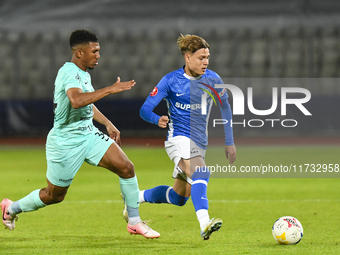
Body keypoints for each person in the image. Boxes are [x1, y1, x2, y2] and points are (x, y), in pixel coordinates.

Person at [1, 29, 160, 239]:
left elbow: (86, 103)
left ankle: (134, 221)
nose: (98, 55)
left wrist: (107, 123)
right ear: (79, 53)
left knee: (126, 167)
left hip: (88, 134)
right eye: (94, 51)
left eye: (99, 51)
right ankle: (10, 208)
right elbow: (76, 100)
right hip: (66, 141)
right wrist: (109, 89)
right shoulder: (68, 72)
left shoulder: (83, 74)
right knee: (54, 195)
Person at [137, 34, 236, 240]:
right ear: (187, 57)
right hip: (178, 140)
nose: (206, 62)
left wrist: (229, 141)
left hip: (199, 144)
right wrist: (157, 120)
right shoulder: (171, 81)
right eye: (201, 58)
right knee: (201, 172)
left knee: (179, 197)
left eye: (207, 57)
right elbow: (145, 109)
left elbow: (225, 108)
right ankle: (204, 223)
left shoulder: (213, 79)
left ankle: (134, 197)